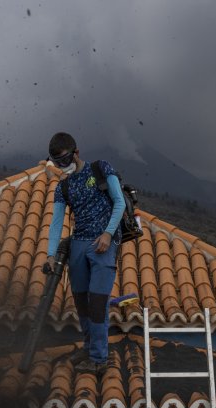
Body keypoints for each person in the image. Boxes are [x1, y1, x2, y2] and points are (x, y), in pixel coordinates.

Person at [45, 132, 125, 374]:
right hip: (78, 246)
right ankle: (89, 346)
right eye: (57, 162)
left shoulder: (100, 169)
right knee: (81, 303)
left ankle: (100, 359)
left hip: (103, 244)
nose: (62, 166)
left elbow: (119, 202)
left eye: (65, 160)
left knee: (98, 303)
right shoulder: (64, 187)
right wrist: (50, 253)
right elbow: (57, 222)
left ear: (76, 153)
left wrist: (108, 233)